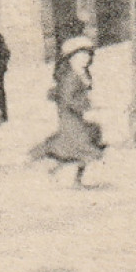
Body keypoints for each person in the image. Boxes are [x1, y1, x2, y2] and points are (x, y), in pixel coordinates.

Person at [30, 36, 104, 187]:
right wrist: (85, 105)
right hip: (70, 118)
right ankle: (64, 173)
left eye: (89, 55)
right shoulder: (71, 76)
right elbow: (67, 98)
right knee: (83, 148)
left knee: (79, 148)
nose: (86, 59)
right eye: (82, 56)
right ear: (71, 58)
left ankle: (66, 174)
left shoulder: (81, 74)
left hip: (76, 118)